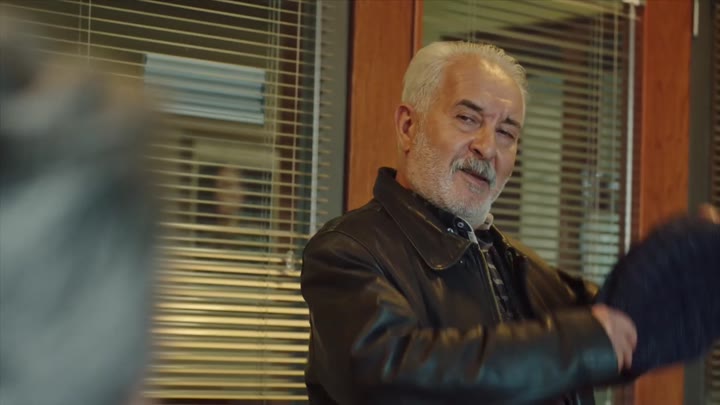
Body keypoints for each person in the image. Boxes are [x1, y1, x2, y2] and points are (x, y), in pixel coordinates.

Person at [300, 41, 638, 405]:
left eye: (506, 133)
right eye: (467, 118)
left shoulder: (518, 264)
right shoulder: (346, 251)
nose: (488, 148)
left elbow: (626, 328)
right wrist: (569, 344)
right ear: (408, 127)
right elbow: (390, 377)